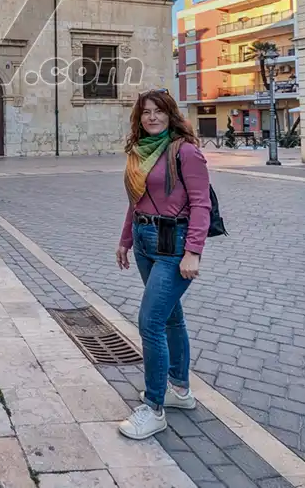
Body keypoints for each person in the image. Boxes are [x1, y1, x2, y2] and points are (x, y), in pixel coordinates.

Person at [115, 88, 212, 440]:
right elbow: (135, 201)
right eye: (145, 112)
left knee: (150, 321)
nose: (151, 117)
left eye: (158, 111)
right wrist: (126, 239)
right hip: (144, 240)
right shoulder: (140, 152)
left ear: (171, 115)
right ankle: (179, 390)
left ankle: (154, 407)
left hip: (175, 245)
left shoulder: (185, 152)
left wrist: (194, 251)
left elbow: (202, 205)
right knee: (171, 317)